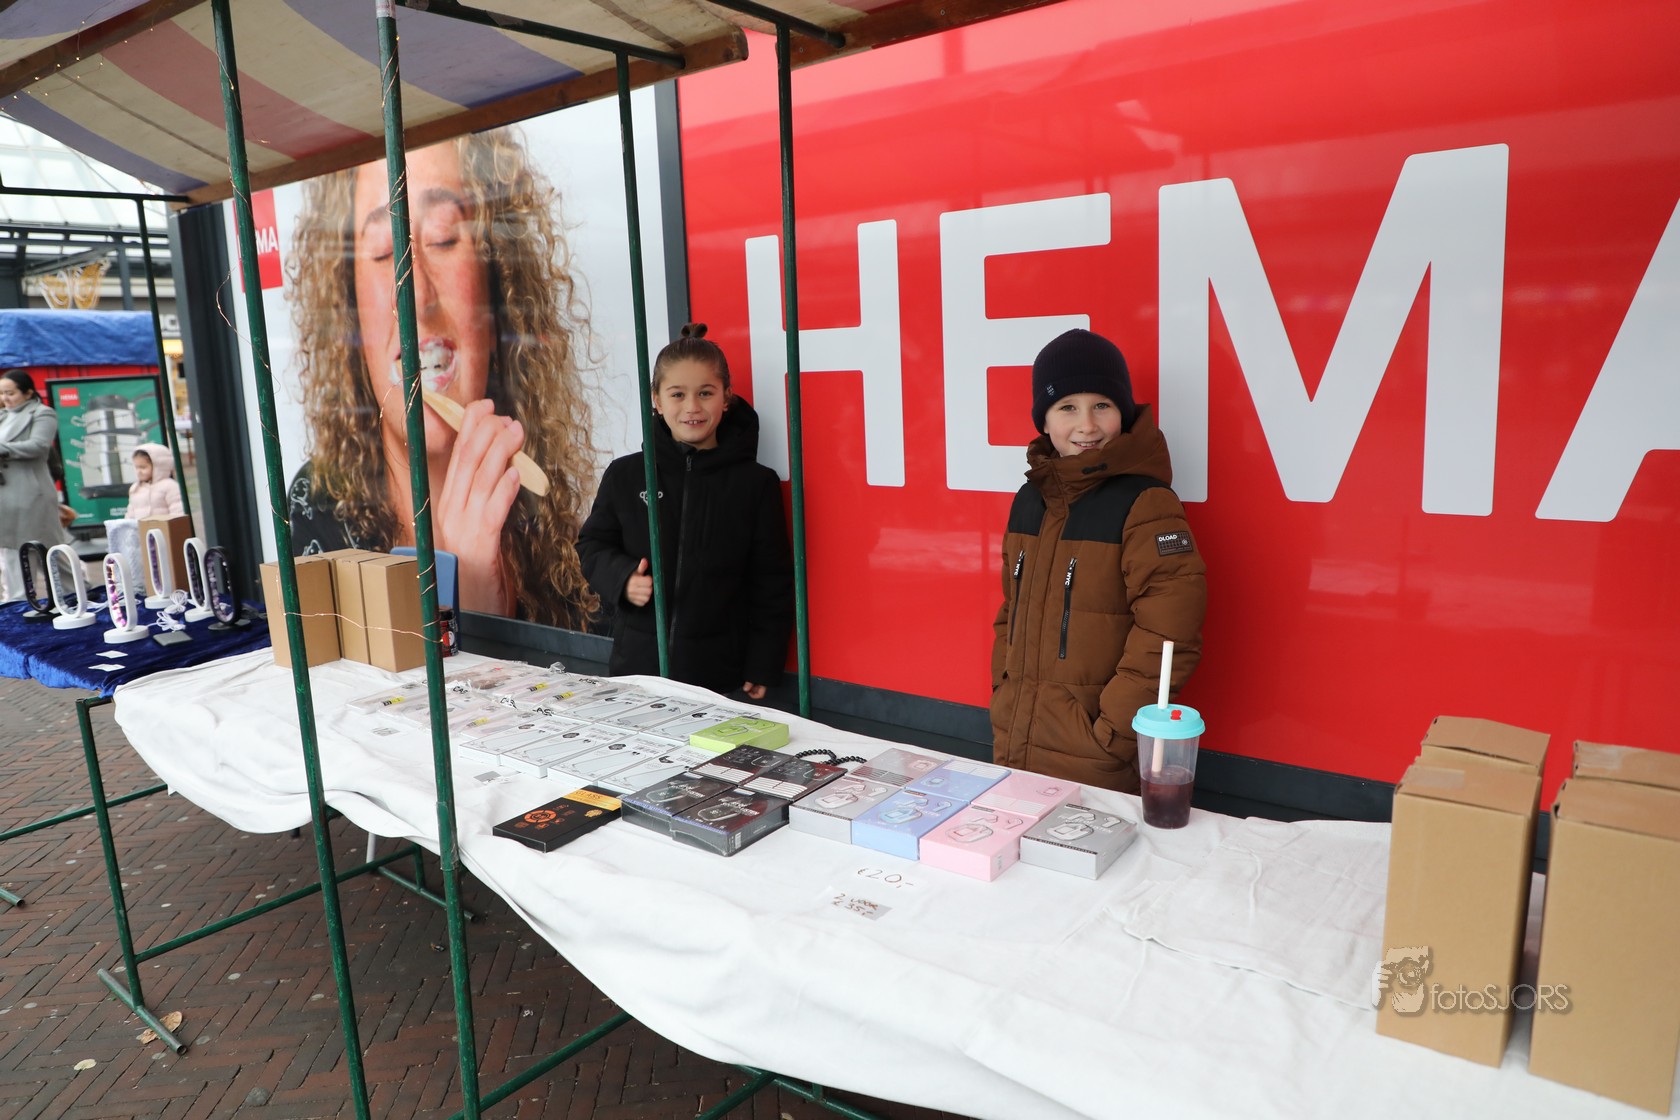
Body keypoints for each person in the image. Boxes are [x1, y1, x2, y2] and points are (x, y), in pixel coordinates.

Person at [285, 128, 598, 628]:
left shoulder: (543, 511)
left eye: (443, 237)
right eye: (383, 251)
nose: (416, 295)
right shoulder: (320, 503)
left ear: (498, 297)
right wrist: (468, 598)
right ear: (350, 315)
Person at [990, 329, 1207, 792]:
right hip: (1016, 738)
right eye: (1067, 407)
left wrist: (1113, 734)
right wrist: (1004, 693)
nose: (1087, 425)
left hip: (1097, 753)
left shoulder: (1146, 503)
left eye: (1102, 405)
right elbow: (1011, 612)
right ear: (1044, 421)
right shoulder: (1029, 500)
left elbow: (1169, 636)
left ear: (1123, 413)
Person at [577, 325, 794, 699]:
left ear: (726, 398)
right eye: (678, 394)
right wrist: (622, 578)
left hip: (720, 675)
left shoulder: (755, 484)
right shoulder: (627, 474)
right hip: (637, 670)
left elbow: (771, 581)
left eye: (705, 393)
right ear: (657, 401)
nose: (692, 406)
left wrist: (763, 661)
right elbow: (592, 545)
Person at [0, 370, 70, 601]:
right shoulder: (3, 416)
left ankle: (73, 592)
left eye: (10, 393)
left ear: (28, 392)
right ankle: (19, 600)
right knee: (12, 548)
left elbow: (39, 446)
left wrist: (4, 449)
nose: (5, 398)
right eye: (2, 393)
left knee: (46, 546)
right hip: (7, 493)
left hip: (32, 492)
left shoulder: (42, 413)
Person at [124, 442, 184, 519]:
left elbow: (178, 513)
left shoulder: (170, 487)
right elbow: (130, 515)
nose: (139, 471)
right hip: (141, 527)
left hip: (164, 526)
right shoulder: (135, 488)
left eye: (143, 467)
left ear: (158, 466)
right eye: (136, 467)